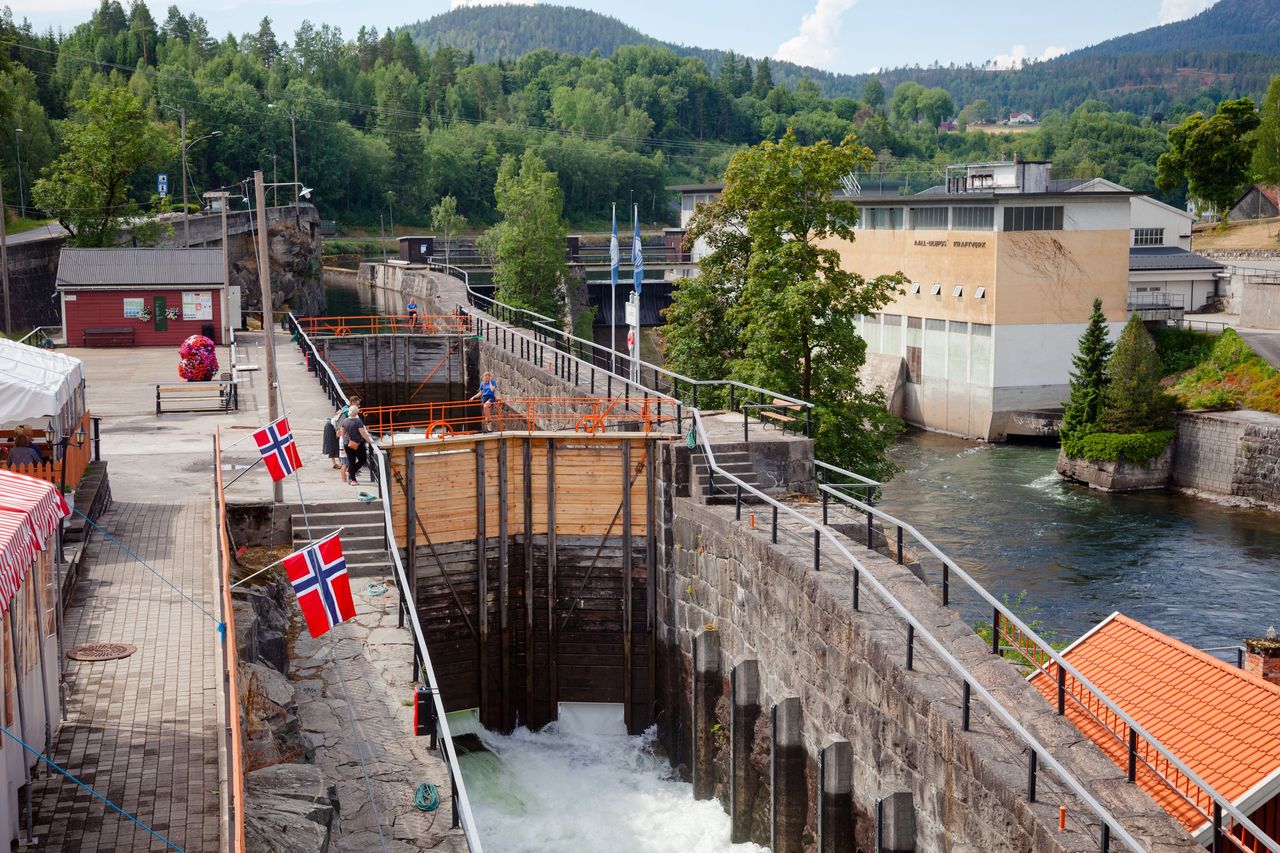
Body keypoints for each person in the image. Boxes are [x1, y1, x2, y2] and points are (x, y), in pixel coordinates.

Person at [323, 394, 360, 477]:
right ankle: (337, 464)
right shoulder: (347, 411)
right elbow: (341, 424)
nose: (358, 406)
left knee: (338, 445)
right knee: (334, 445)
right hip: (331, 426)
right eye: (357, 404)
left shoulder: (347, 408)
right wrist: (339, 433)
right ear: (353, 402)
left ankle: (341, 464)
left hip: (334, 425)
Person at [343, 403, 375, 486]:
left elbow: (342, 433)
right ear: (357, 412)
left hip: (347, 443)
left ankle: (353, 479)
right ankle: (351, 472)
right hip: (357, 443)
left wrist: (344, 442)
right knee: (362, 460)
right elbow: (363, 433)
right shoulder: (358, 421)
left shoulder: (345, 421)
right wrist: (369, 441)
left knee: (351, 461)